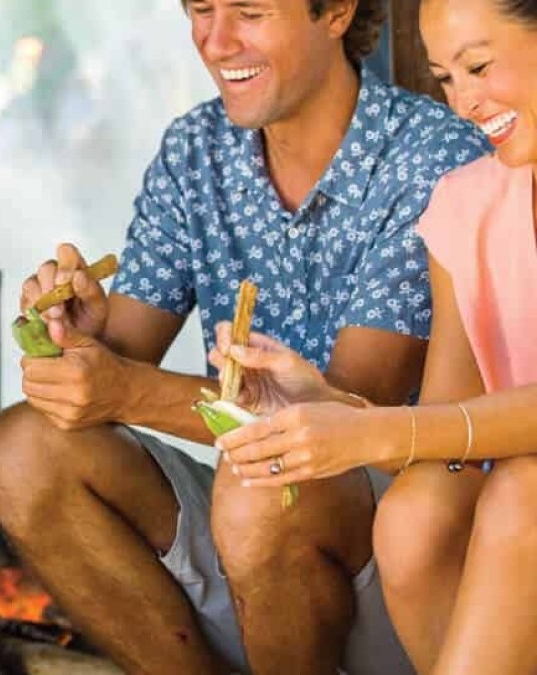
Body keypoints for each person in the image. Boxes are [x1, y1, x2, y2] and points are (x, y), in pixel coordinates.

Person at [0, 0, 491, 673]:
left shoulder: (432, 154)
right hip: (253, 538)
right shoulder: (196, 150)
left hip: (401, 564)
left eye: (248, 12)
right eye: (200, 9)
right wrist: (80, 342)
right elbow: (116, 374)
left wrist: (121, 388)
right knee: (21, 448)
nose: (216, 42)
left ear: (335, 12)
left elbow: (344, 413)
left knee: (266, 482)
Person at [215, 0, 537, 673]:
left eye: (478, 66)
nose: (465, 102)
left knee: (521, 493)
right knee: (418, 509)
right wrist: (332, 405)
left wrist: (377, 432)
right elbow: (447, 425)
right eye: (447, 78)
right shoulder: (466, 204)